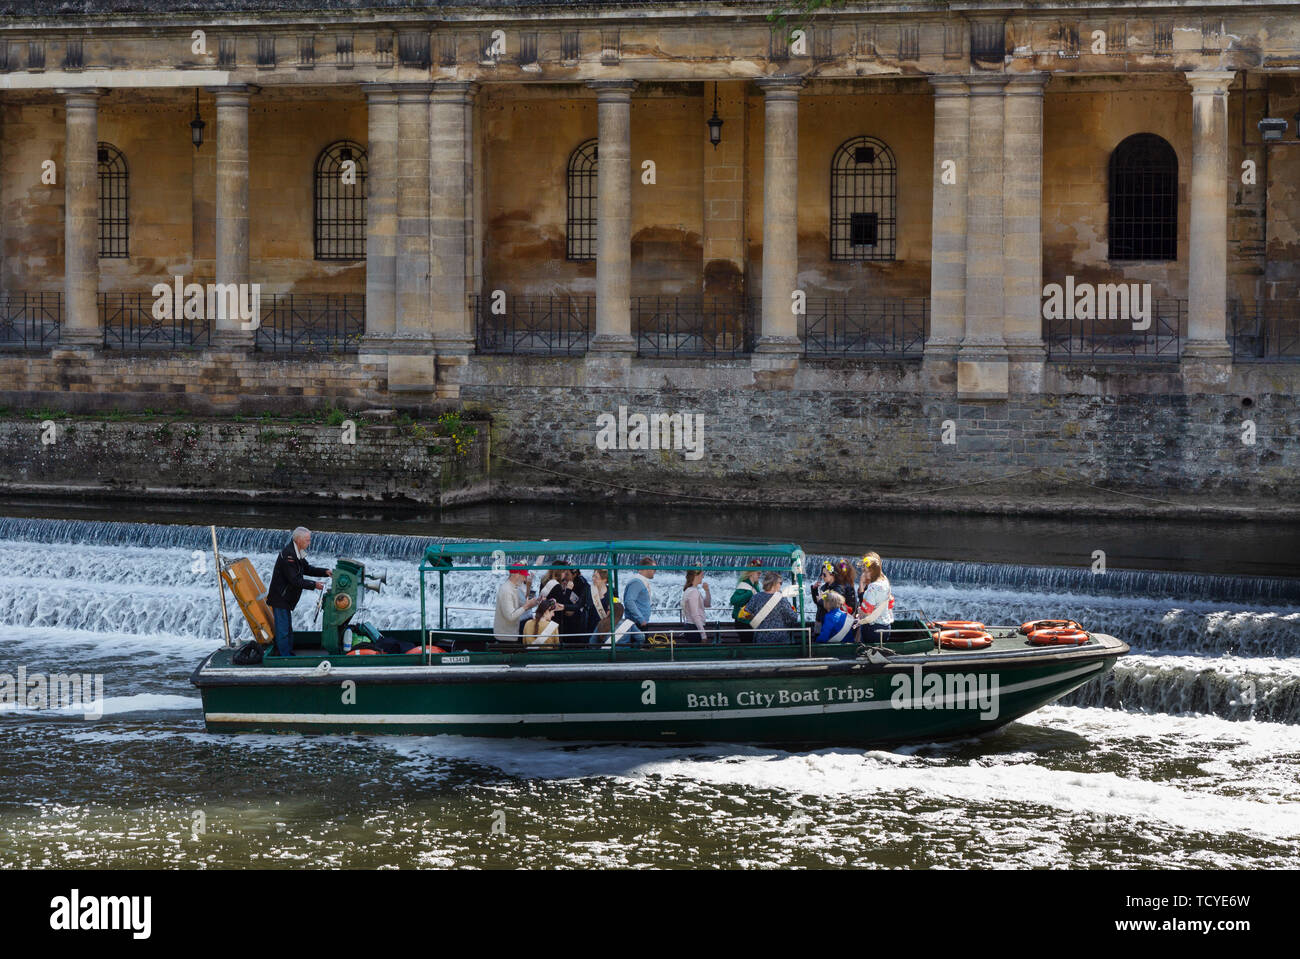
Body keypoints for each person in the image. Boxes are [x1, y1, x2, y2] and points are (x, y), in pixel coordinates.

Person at [266, 526, 332, 658]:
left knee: (287, 629)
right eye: (307, 540)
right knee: (283, 630)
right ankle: (285, 658)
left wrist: (325, 572)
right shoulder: (289, 555)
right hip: (280, 598)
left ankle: (287, 653)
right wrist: (314, 585)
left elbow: (307, 568)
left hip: (285, 598)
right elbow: (294, 580)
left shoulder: (297, 551)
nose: (309, 543)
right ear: (298, 540)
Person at [740, 571, 802, 645]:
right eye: (780, 583)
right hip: (780, 640)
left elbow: (745, 614)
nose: (781, 585)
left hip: (761, 638)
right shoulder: (781, 599)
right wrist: (793, 610)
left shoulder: (756, 597)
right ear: (774, 584)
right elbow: (794, 617)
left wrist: (755, 618)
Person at [495, 564, 541, 642]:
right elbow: (510, 616)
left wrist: (537, 602)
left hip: (511, 633)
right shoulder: (507, 591)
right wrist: (525, 607)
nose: (524, 579)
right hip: (507, 637)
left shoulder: (513, 587)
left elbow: (523, 604)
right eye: (524, 576)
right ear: (517, 575)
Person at [856, 551, 895, 643]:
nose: (864, 574)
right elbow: (890, 603)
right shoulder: (885, 581)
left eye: (865, 571)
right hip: (886, 627)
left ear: (872, 571)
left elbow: (867, 611)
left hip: (872, 628)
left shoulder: (872, 587)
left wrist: (859, 612)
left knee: (867, 652)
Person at [619, 557, 656, 646]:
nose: (655, 571)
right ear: (647, 568)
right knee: (639, 649)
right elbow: (629, 602)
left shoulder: (640, 581)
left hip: (639, 623)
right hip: (637, 624)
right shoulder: (637, 582)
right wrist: (641, 619)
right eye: (654, 568)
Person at [553, 562, 592, 643]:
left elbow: (580, 604)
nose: (564, 576)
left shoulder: (583, 585)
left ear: (574, 575)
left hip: (579, 619)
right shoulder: (564, 581)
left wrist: (567, 607)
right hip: (566, 617)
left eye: (567, 574)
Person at [729, 559, 763, 642]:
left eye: (760, 573)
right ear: (751, 573)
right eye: (758, 573)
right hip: (743, 623)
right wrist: (748, 594)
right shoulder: (744, 585)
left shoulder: (755, 586)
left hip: (749, 622)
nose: (760, 575)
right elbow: (733, 600)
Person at [681, 568, 712, 643]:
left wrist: (707, 591)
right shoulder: (693, 592)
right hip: (694, 629)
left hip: (693, 627)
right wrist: (703, 635)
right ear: (696, 575)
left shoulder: (691, 590)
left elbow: (707, 604)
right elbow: (694, 614)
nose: (703, 577)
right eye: (702, 575)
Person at [587, 568, 611, 642]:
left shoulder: (612, 592)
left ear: (604, 580)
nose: (593, 579)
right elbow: (579, 605)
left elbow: (617, 607)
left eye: (596, 577)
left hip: (606, 627)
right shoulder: (589, 590)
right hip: (591, 627)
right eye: (593, 576)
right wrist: (564, 606)